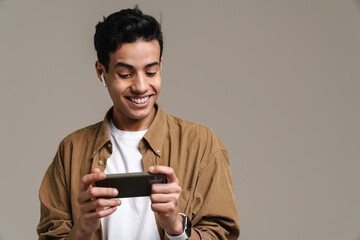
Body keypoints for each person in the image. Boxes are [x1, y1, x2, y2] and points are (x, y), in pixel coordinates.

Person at [37, 6, 240, 240]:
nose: (141, 86)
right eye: (125, 74)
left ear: (161, 66)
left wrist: (176, 226)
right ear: (101, 71)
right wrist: (83, 228)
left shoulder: (201, 144)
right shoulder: (71, 150)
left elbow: (222, 233)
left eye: (151, 72)